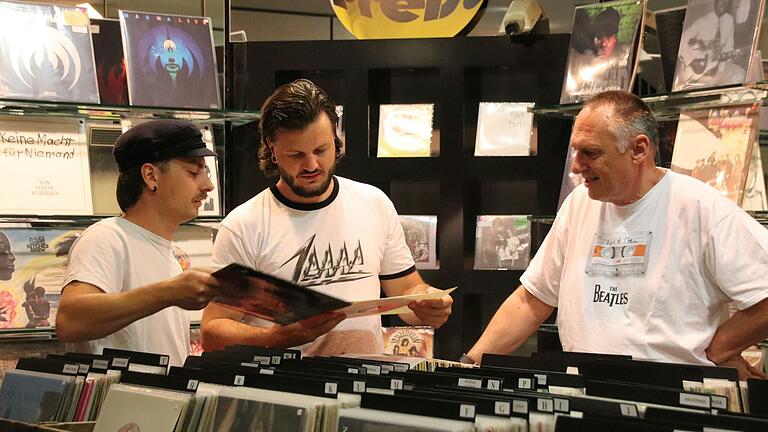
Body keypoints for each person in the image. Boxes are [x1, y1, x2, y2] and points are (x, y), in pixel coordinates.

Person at [465, 90, 768, 378]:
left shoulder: (701, 207)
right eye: (575, 151)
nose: (576, 166)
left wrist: (716, 350)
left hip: (671, 398)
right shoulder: (579, 203)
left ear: (638, 149)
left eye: (590, 153)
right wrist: (469, 364)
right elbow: (531, 301)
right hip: (580, 388)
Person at [201, 79, 453, 356]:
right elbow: (213, 332)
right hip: (286, 391)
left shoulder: (373, 203)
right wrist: (280, 336)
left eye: (321, 150)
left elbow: (406, 289)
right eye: (296, 155)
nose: (311, 165)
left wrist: (428, 305)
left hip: (367, 384)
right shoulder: (244, 225)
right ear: (272, 151)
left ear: (336, 139)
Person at [56, 120, 226, 366]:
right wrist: (169, 292)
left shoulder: (169, 256)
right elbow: (71, 320)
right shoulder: (107, 237)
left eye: (205, 173)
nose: (208, 186)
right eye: (194, 172)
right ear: (150, 175)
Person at [674, 0, 744, 89]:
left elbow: (728, 47)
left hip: (715, 68)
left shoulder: (729, 20)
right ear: (715, 2)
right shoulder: (702, 21)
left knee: (740, 73)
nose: (723, 5)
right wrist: (691, 62)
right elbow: (682, 40)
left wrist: (731, 56)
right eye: (721, 1)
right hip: (695, 72)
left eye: (726, 2)